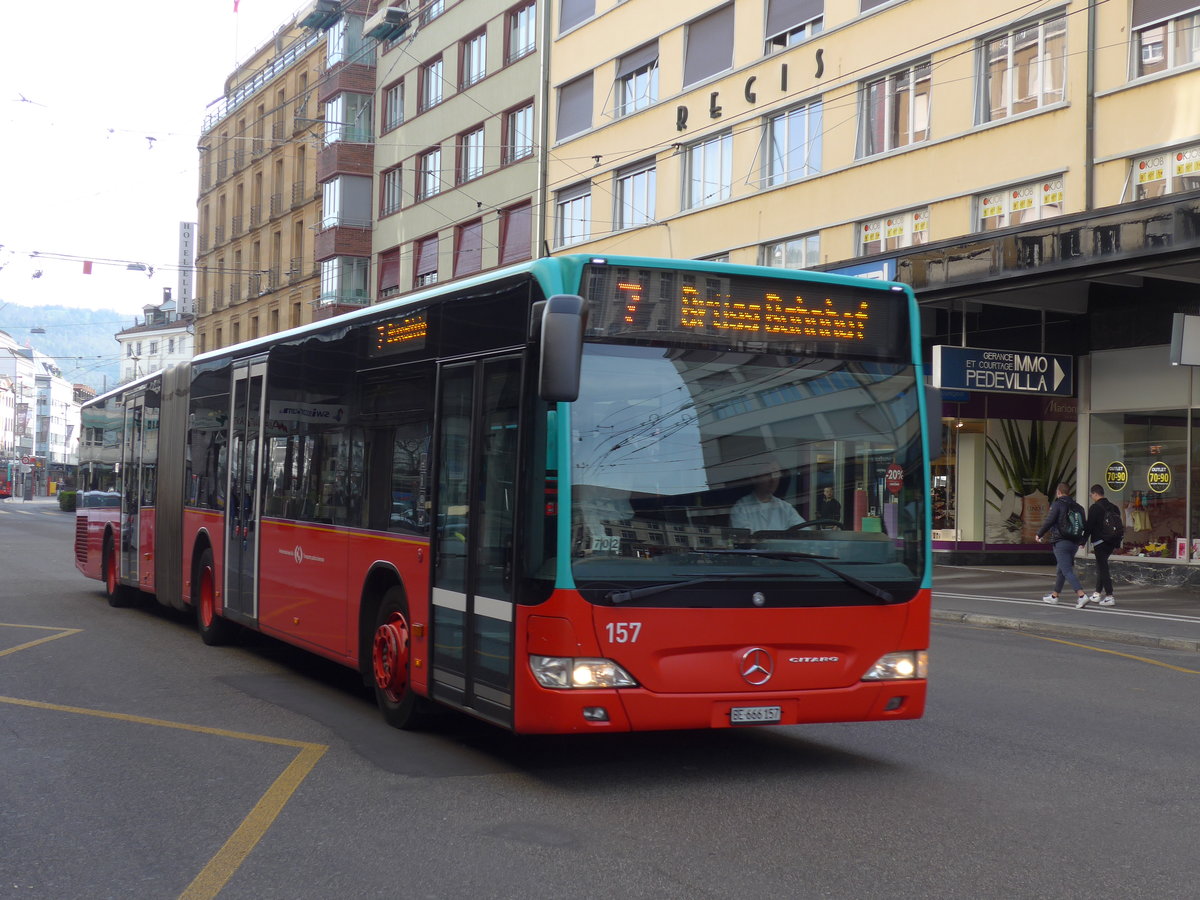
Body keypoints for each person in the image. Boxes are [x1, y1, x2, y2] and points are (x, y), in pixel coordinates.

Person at [1035, 482, 1089, 607]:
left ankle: (1081, 595)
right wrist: (1083, 541)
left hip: (1061, 542)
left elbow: (1049, 520)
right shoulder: (1079, 507)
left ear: (1058, 492)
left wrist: (1039, 534)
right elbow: (1085, 526)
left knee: (1067, 570)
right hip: (1074, 543)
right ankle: (1054, 596)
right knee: (1061, 569)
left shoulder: (1058, 504)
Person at [731, 464, 802, 533]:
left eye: (776, 473)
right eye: (767, 474)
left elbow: (805, 533)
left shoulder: (786, 508)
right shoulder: (741, 508)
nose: (773, 479)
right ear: (754, 477)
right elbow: (745, 540)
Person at [1084, 483, 1121, 607]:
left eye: (1091, 495)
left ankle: (1109, 596)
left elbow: (1089, 526)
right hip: (1112, 542)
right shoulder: (1114, 507)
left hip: (1100, 542)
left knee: (1103, 568)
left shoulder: (1095, 508)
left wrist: (1082, 541)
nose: (1091, 497)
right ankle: (1097, 593)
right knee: (1101, 565)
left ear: (1095, 494)